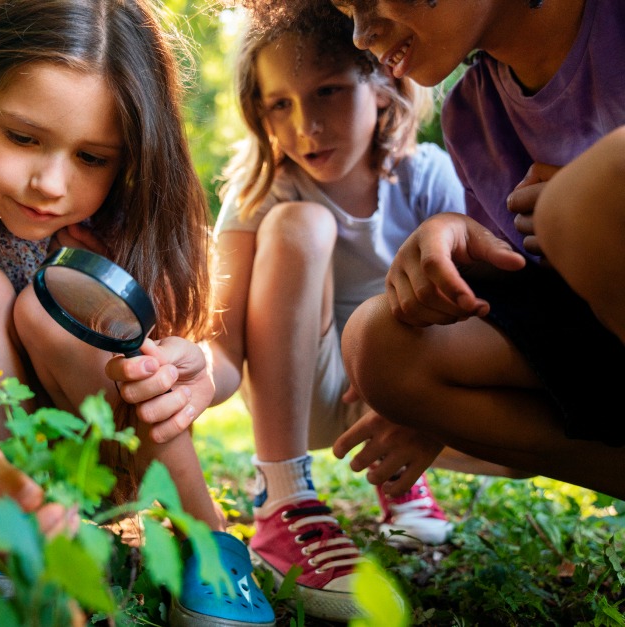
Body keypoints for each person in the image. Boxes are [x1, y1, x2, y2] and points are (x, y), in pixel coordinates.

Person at [0, 1, 276, 625]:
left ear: (130, 156)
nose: (50, 183)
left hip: (115, 459)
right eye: (22, 138)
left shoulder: (120, 233)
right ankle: (21, 535)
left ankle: (207, 541)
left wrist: (190, 369)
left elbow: (203, 371)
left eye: (91, 157)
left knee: (57, 299)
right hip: (7, 473)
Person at [107, 1, 505, 620]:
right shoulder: (263, 193)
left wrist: (412, 397)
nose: (306, 125)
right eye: (280, 104)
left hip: (404, 392)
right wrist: (196, 374)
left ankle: (400, 478)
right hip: (301, 390)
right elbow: (226, 351)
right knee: (302, 223)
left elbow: (478, 309)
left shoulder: (428, 179)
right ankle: (283, 498)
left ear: (383, 85)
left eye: (328, 92)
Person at [310, 0, 625, 501]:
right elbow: (539, 285)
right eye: (348, 9)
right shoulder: (472, 116)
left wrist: (581, 205)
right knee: (378, 342)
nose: (361, 34)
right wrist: (459, 239)